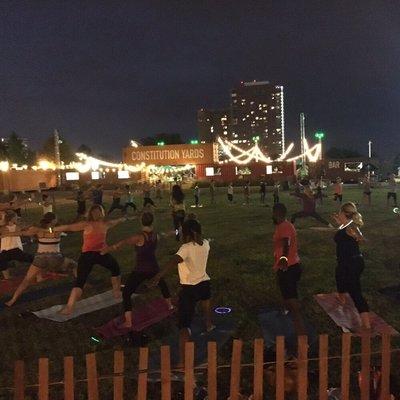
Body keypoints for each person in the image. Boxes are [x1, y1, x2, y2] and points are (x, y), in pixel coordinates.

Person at [150, 219, 213, 367]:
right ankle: (209, 324)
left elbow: (173, 261)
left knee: (184, 326)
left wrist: (157, 277)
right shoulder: (205, 243)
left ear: (185, 233)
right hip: (204, 282)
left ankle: (182, 362)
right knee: (206, 303)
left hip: (189, 288)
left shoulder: (185, 248)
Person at [101, 212, 172, 328]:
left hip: (140, 270)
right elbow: (166, 234)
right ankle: (170, 306)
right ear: (152, 222)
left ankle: (128, 322)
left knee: (127, 293)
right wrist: (177, 231)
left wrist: (107, 249)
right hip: (153, 267)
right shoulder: (155, 235)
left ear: (141, 221)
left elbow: (121, 243)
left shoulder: (139, 237)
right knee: (162, 284)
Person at [53, 205, 128, 315]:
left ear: (102, 213)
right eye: (94, 213)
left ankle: (116, 292)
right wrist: (54, 229)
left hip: (100, 253)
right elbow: (70, 227)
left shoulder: (105, 224)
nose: (96, 214)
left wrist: (124, 218)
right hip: (89, 255)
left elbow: (117, 221)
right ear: (91, 214)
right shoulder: (88, 224)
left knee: (115, 268)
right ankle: (69, 307)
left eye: (98, 212)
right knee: (80, 281)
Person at [5, 212, 77, 307]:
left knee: (26, 281)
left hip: (40, 260)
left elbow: (22, 233)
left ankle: (12, 300)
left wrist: (7, 234)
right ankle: (79, 286)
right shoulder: (58, 230)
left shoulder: (38, 230)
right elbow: (70, 228)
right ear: (53, 221)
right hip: (55, 259)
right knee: (75, 265)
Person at [331, 202, 370, 331]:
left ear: (344, 213)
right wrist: (340, 224)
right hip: (346, 263)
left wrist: (358, 236)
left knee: (355, 291)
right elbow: (342, 235)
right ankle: (342, 300)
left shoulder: (351, 227)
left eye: (340, 212)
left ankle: (366, 324)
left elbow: (362, 238)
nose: (338, 214)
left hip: (352, 264)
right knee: (339, 276)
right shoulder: (345, 225)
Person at [272, 203, 306, 336]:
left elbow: (286, 242)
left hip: (289, 267)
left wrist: (284, 258)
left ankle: (302, 336)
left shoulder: (285, 226)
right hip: (290, 266)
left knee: (292, 303)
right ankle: (286, 308)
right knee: (285, 292)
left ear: (277, 213)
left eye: (273, 213)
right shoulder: (282, 226)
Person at [0, 210, 33, 280]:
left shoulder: (16, 226)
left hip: (14, 249)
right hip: (7, 250)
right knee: (2, 260)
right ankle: (7, 277)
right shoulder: (4, 228)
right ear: (12, 218)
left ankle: (36, 272)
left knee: (31, 258)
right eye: (16, 217)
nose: (17, 218)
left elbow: (26, 227)